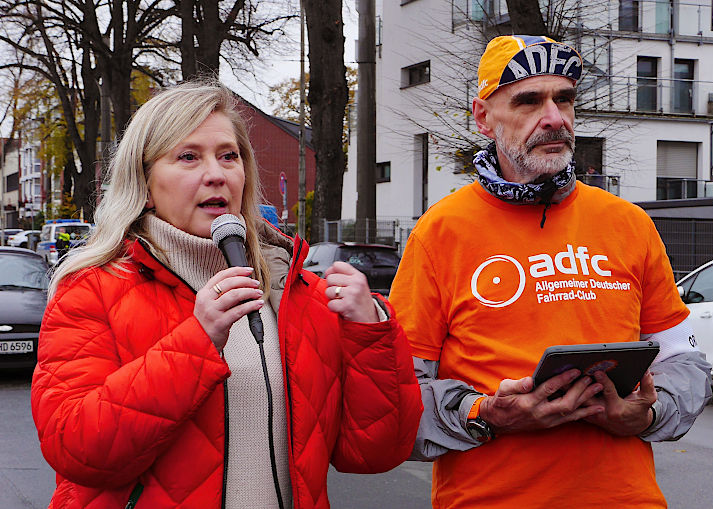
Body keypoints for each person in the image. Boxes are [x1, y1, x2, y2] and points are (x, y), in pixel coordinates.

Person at [31, 80, 422, 509]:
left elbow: (374, 452)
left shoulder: (298, 296)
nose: (216, 173)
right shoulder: (91, 289)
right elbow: (76, 449)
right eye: (188, 157)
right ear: (143, 185)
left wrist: (371, 332)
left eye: (228, 156)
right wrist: (197, 342)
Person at [389, 35, 712, 508]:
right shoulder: (440, 233)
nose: (555, 118)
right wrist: (487, 414)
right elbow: (396, 399)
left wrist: (646, 415)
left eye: (564, 99)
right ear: (483, 118)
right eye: (529, 101)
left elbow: (685, 364)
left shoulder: (628, 223)